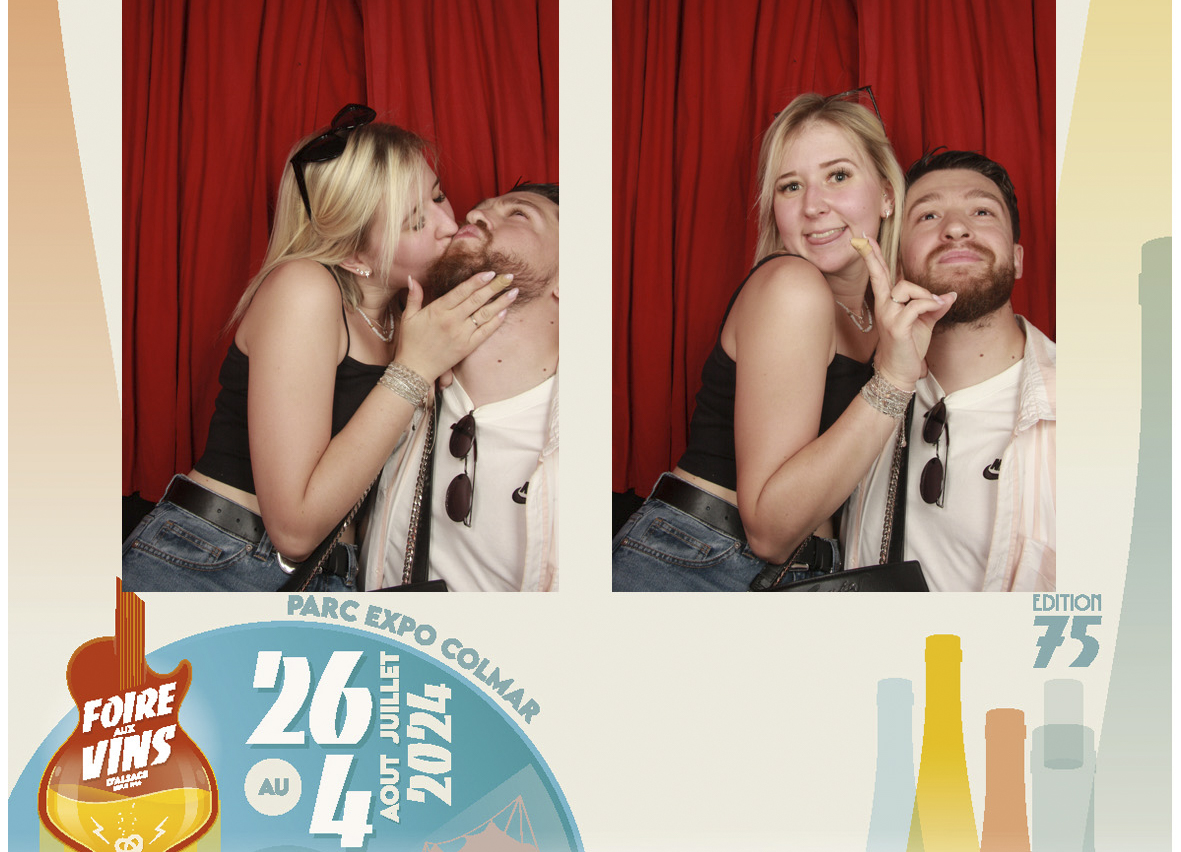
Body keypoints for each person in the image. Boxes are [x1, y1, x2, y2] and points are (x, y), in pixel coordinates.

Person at [122, 108, 520, 592]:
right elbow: (293, 530)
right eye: (415, 221)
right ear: (353, 255)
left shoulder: (408, 319)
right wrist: (414, 369)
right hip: (215, 562)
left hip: (334, 578)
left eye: (438, 196)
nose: (447, 224)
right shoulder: (305, 289)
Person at [612, 93, 955, 591]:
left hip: (803, 574)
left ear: (886, 195)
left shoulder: (878, 317)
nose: (813, 206)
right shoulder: (792, 286)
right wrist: (895, 379)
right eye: (790, 186)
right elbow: (771, 532)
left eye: (838, 176)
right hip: (698, 566)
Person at [843, 150, 1056, 591]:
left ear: (1018, 259)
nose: (956, 228)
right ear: (899, 263)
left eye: (982, 211)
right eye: (928, 215)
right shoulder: (855, 392)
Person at [362, 184, 559, 592]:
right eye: (480, 207)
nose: (473, 215)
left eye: (518, 214)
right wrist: (409, 372)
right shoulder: (388, 373)